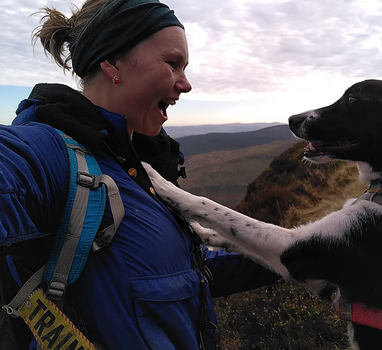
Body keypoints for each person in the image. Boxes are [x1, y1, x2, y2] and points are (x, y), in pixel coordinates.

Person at [0, 0, 280, 349]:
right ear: (112, 62)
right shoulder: (49, 155)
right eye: (172, 63)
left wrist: (294, 257)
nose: (187, 84)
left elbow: (181, 274)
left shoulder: (142, 171)